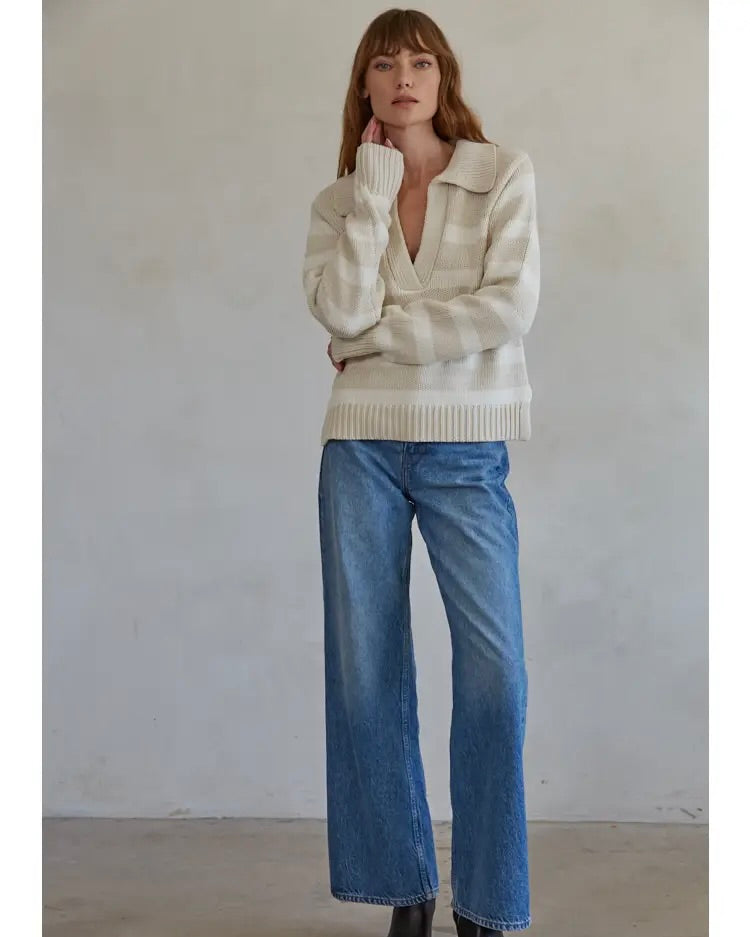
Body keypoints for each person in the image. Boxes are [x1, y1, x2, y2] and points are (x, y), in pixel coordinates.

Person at [300, 8, 540, 937]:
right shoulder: (338, 201)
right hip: (357, 442)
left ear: (445, 79)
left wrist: (373, 340)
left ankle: (485, 901)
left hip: (465, 442)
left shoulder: (500, 177)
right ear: (364, 87)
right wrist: (371, 188)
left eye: (423, 61)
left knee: (495, 673)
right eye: (385, 64)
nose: (405, 76)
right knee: (366, 676)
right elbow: (337, 302)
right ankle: (406, 886)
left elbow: (506, 309)